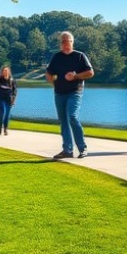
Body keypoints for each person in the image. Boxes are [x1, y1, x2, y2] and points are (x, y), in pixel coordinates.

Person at [45, 31, 94, 159]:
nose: (66, 45)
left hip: (75, 91)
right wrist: (52, 80)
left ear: (72, 43)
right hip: (59, 93)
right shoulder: (56, 57)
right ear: (60, 44)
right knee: (64, 121)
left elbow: (90, 72)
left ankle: (83, 148)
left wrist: (76, 76)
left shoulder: (79, 56)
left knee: (72, 116)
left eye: (69, 42)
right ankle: (67, 150)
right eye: (64, 42)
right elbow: (49, 73)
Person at [0, 66, 17, 135]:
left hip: (9, 99)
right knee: (1, 113)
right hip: (0, 98)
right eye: (4, 71)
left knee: (7, 114)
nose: (5, 72)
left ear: (9, 72)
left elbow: (14, 91)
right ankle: (0, 127)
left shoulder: (12, 80)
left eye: (6, 71)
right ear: (1, 72)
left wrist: (13, 99)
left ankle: (5, 129)